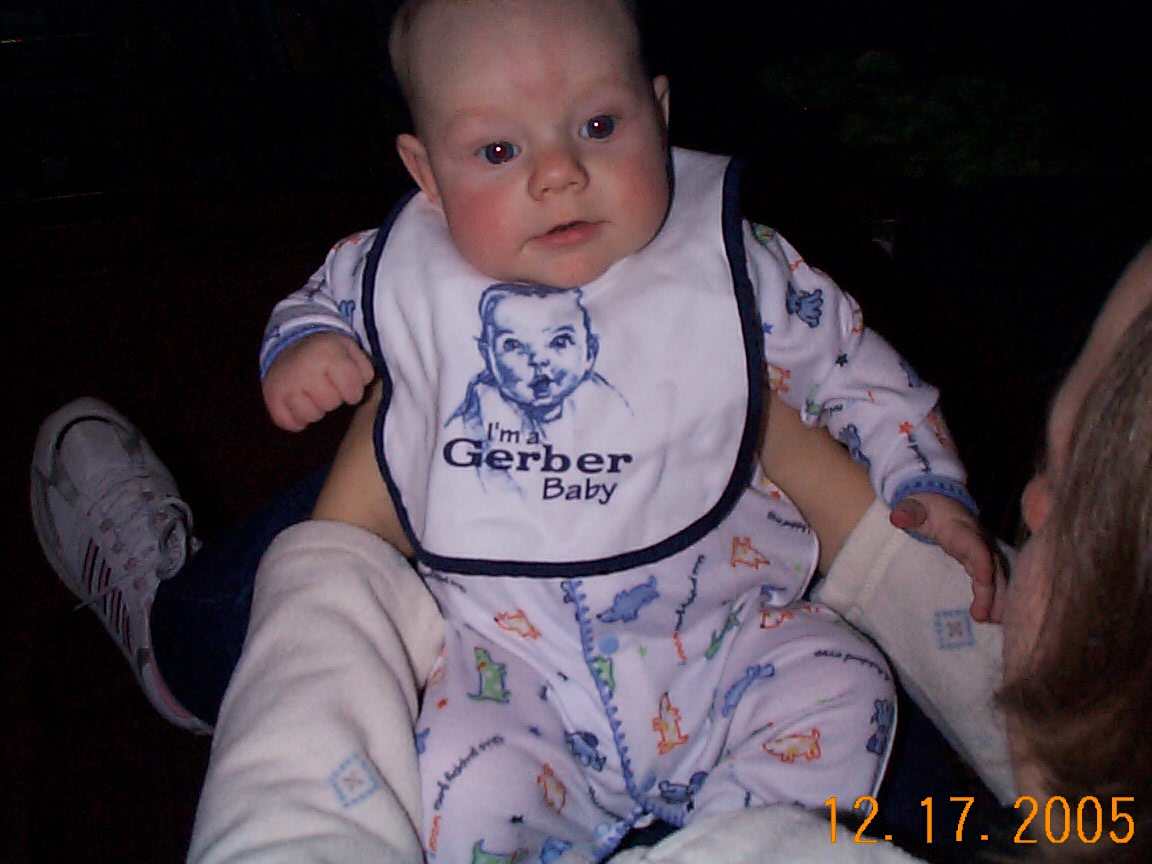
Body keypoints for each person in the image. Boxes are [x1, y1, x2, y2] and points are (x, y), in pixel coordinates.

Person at [248, 0, 999, 859]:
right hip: (511, 673)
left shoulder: (733, 261)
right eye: (498, 152)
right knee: (456, 778)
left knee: (845, 682)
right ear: (424, 172)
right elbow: (314, 301)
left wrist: (923, 476)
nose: (559, 173)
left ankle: (739, 843)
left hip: (726, 641)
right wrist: (305, 347)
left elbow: (851, 364)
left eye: (600, 126)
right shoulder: (396, 265)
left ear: (660, 112)